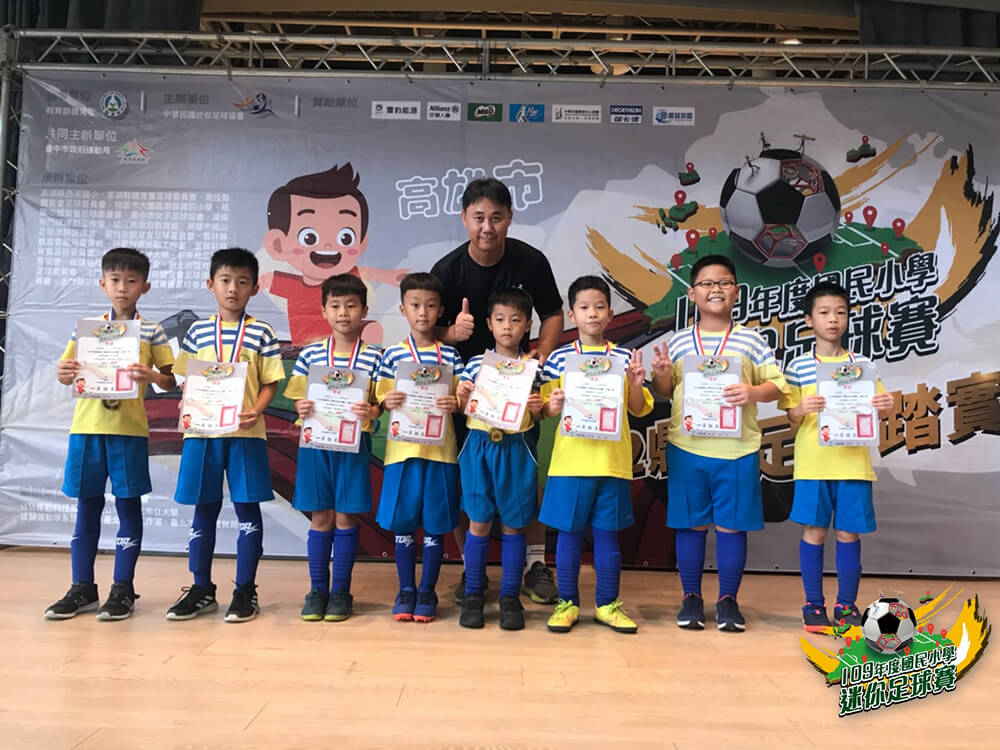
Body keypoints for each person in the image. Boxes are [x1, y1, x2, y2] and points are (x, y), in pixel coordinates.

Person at [431, 178, 563, 605]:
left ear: (509, 218)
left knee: (524, 477)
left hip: (518, 391)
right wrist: (449, 332)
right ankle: (472, 572)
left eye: (496, 218)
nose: (487, 227)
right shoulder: (447, 271)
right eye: (478, 218)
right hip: (467, 391)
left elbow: (553, 313)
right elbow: (425, 326)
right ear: (464, 218)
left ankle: (535, 566)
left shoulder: (531, 261)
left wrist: (542, 352)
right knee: (465, 479)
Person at [649, 254, 788, 632]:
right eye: (707, 283)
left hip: (737, 449)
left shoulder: (751, 340)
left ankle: (728, 600)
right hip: (688, 447)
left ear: (736, 292)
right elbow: (665, 391)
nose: (716, 289)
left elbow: (776, 385)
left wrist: (753, 392)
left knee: (732, 528)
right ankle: (690, 597)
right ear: (692, 293)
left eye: (724, 283)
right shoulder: (679, 341)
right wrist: (661, 374)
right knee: (690, 526)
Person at [45, 248, 176, 621]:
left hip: (128, 432)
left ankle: (123, 588)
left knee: (128, 505)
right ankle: (82, 587)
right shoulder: (87, 329)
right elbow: (66, 373)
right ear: (102, 284)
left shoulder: (152, 330)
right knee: (86, 507)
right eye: (115, 280)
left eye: (131, 281)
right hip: (86, 429)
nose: (122, 288)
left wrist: (152, 376)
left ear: (144, 287)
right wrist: (64, 372)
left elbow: (171, 381)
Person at [166, 248, 285, 623]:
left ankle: (245, 589)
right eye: (225, 280)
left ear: (254, 287)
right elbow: (184, 377)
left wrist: (258, 409)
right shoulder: (197, 331)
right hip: (202, 435)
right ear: (211, 284)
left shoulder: (262, 332)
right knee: (204, 509)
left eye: (242, 282)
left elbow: (270, 381)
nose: (233, 288)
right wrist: (187, 397)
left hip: (246, 434)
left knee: (248, 509)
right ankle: (201, 587)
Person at [538, 276, 653, 634]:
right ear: (571, 314)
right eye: (584, 307)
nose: (592, 314)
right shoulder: (559, 358)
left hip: (611, 464)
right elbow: (546, 409)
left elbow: (638, 408)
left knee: (607, 537)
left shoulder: (623, 357)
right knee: (568, 537)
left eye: (599, 307)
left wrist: (636, 385)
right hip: (570, 464)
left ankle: (607, 604)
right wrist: (553, 403)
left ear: (610, 314)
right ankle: (567, 603)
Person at [779, 281, 894, 631]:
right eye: (824, 312)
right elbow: (790, 417)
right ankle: (813, 604)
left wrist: (885, 404)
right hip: (814, 465)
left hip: (854, 465)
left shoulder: (863, 364)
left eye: (840, 312)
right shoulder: (798, 366)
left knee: (848, 535)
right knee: (814, 532)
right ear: (808, 319)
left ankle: (846, 605)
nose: (833, 319)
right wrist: (801, 408)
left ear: (847, 318)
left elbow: (878, 407)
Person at [284, 273, 382, 622]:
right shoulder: (311, 354)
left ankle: (340, 591)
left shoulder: (375, 358)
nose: (343, 313)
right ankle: (317, 590)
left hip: (354, 446)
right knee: (321, 517)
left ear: (364, 311)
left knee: (345, 517)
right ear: (324, 311)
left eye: (351, 306)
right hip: (316, 446)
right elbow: (297, 398)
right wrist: (300, 406)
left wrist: (372, 412)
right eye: (336, 306)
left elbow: (380, 405)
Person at [374, 273, 463, 623]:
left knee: (436, 524)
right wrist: (387, 400)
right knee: (403, 524)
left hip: (441, 453)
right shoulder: (393, 354)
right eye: (415, 305)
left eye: (430, 305)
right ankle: (405, 589)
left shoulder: (451, 355)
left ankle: (427, 591)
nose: (422, 312)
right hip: (402, 452)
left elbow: (463, 398)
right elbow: (379, 398)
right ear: (403, 309)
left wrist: (456, 403)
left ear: (440, 310)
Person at [455, 288, 544, 630]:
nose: (508, 326)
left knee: (513, 524)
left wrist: (538, 407)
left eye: (516, 320)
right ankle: (474, 594)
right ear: (489, 324)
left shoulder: (533, 368)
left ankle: (509, 596)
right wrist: (463, 395)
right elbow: (463, 407)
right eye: (501, 319)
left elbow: (542, 412)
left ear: (528, 325)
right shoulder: (476, 364)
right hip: (479, 446)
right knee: (478, 522)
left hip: (516, 447)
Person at [261, 163, 403, 345]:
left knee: (371, 330)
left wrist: (388, 276)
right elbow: (264, 280)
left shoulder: (349, 280)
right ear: (278, 244)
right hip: (309, 348)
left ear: (361, 243)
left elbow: (367, 272)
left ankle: (364, 352)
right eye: (309, 237)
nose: (327, 245)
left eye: (345, 237)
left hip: (347, 349)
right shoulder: (292, 285)